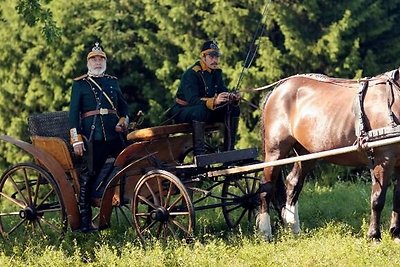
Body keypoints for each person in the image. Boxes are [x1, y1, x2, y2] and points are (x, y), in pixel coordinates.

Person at [69, 42, 129, 233]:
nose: (97, 62)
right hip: (92, 136)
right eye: (94, 59)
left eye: (100, 59)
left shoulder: (112, 81)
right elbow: (73, 115)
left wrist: (123, 120)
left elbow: (124, 107)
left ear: (105, 62)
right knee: (88, 177)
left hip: (114, 133)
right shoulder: (80, 84)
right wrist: (76, 139)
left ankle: (116, 195)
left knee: (128, 163)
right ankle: (85, 223)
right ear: (88, 62)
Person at [170, 40, 240, 155]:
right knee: (200, 111)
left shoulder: (216, 73)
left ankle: (229, 150)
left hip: (205, 109)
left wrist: (232, 98)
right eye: (211, 56)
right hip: (183, 110)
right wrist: (214, 101)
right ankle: (200, 154)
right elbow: (193, 100)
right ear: (203, 57)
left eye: (217, 56)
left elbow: (222, 90)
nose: (215, 60)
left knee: (233, 108)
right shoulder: (191, 74)